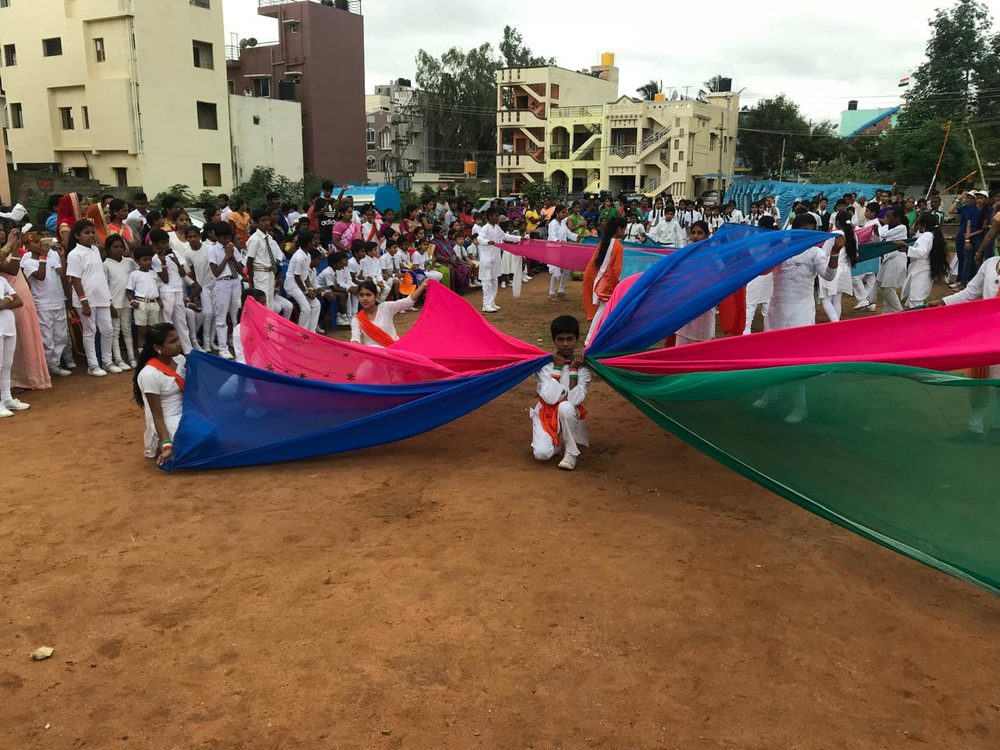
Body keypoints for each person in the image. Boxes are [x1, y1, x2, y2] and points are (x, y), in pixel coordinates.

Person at [756, 213, 840, 423]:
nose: (807, 235)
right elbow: (763, 271)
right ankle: (770, 394)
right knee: (771, 355)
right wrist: (769, 249)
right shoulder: (782, 250)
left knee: (796, 359)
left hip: (801, 311)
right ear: (794, 230)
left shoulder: (815, 253)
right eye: (803, 230)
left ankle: (800, 406)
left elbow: (828, 276)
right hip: (777, 309)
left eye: (811, 231)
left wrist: (836, 253)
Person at [927, 247, 1000, 439]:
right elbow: (971, 293)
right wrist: (943, 301)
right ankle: (974, 427)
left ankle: (997, 428)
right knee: (979, 382)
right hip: (985, 336)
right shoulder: (990, 264)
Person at [530, 314, 591, 471]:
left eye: (569, 339)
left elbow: (575, 400)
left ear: (576, 339)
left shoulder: (583, 367)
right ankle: (556, 442)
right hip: (545, 413)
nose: (565, 344)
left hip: (569, 412)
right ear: (554, 340)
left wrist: (573, 370)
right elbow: (550, 399)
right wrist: (557, 369)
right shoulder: (545, 365)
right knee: (542, 454)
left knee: (566, 406)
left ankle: (571, 453)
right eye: (560, 339)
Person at [66, 219, 120, 376]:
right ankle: (93, 365)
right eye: (86, 233)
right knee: (89, 331)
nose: (91, 235)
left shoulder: (95, 250)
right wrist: (84, 303)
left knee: (108, 329)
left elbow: (100, 277)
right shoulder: (74, 254)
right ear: (77, 235)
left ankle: (107, 361)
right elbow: (75, 280)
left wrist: (109, 301)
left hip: (102, 297)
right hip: (86, 299)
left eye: (92, 232)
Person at [133, 322, 185, 465]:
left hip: (188, 414)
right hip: (167, 421)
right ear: (158, 348)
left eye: (178, 339)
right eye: (173, 341)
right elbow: (157, 416)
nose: (179, 344)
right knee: (200, 439)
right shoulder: (149, 375)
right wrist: (167, 446)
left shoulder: (180, 360)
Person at [20, 236, 71, 377]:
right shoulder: (29, 262)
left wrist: (61, 257)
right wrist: (43, 256)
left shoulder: (52, 257)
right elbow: (40, 276)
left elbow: (62, 274)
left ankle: (54, 364)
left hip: (58, 301)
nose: (41, 245)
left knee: (61, 336)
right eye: (36, 242)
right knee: (47, 337)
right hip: (42, 304)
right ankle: (48, 365)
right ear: (28, 246)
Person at [152, 223, 195, 354]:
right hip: (165, 292)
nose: (165, 245)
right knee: (167, 322)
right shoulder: (155, 259)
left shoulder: (175, 253)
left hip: (177, 290)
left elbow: (183, 274)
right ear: (155, 245)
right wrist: (164, 263)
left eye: (167, 242)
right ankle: (168, 351)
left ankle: (187, 350)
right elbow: (164, 279)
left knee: (181, 321)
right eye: (162, 243)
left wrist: (176, 262)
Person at [350, 278, 428, 347]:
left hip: (395, 352)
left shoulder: (386, 307)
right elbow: (355, 339)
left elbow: (407, 302)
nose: (364, 298)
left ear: (376, 296)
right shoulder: (356, 320)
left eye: (368, 295)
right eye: (361, 295)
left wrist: (422, 286)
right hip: (374, 355)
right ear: (358, 297)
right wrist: (354, 344)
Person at [585, 217, 626, 345]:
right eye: (624, 229)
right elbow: (616, 269)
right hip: (607, 282)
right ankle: (590, 338)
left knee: (604, 309)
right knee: (603, 309)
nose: (624, 232)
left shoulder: (604, 242)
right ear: (619, 229)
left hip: (600, 279)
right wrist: (615, 284)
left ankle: (596, 337)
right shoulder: (618, 245)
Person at [675, 221, 717, 345]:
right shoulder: (686, 252)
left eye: (700, 233)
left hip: (705, 297)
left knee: (703, 333)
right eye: (693, 233)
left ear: (707, 234)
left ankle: (701, 361)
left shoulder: (713, 254)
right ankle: (677, 361)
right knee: (682, 330)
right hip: (686, 296)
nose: (696, 236)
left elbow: (717, 274)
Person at [208, 221, 244, 359]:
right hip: (221, 283)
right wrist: (227, 256)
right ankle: (223, 347)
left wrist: (232, 255)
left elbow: (241, 270)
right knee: (221, 317)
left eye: (229, 237)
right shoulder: (212, 249)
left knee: (235, 315)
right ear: (216, 237)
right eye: (224, 238)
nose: (227, 240)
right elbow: (216, 272)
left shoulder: (232, 248)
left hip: (235, 281)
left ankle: (235, 341)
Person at [103, 234, 138, 369]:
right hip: (114, 303)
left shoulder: (129, 262)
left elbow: (139, 272)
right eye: (115, 247)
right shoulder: (105, 265)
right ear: (108, 249)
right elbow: (104, 286)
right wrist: (109, 304)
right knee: (115, 331)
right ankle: (118, 359)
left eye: (121, 247)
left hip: (127, 302)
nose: (118, 249)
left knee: (127, 329)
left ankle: (131, 357)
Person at [816, 210, 858, 323]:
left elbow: (824, 253)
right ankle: (836, 322)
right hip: (845, 270)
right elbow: (855, 254)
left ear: (837, 222)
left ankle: (835, 323)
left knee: (826, 299)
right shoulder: (853, 235)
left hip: (832, 268)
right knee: (837, 299)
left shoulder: (835, 235)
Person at [476, 210, 521, 313]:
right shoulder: (485, 228)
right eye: (496, 215)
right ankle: (486, 304)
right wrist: (488, 242)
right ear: (489, 217)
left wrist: (518, 238)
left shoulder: (497, 228)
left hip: (496, 258)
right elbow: (479, 239)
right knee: (487, 282)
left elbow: (505, 236)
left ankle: (492, 302)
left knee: (495, 280)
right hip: (487, 258)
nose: (497, 218)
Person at [901, 212, 948, 308]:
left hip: (921, 270)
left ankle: (917, 321)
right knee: (915, 299)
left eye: (919, 224)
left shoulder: (926, 236)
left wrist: (906, 247)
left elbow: (920, 252)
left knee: (916, 300)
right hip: (922, 268)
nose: (917, 226)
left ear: (924, 225)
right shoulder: (930, 235)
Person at [183, 224, 215, 352]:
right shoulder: (188, 253)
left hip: (216, 283)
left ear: (200, 236)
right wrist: (195, 290)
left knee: (217, 314)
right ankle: (206, 342)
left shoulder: (209, 249)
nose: (193, 239)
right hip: (203, 285)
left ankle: (212, 341)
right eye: (189, 237)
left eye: (195, 236)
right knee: (208, 313)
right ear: (186, 238)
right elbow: (192, 271)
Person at [245, 207, 284, 309]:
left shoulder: (269, 238)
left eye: (268, 220)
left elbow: (274, 256)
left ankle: (268, 324)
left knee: (270, 302)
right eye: (263, 220)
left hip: (270, 272)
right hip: (260, 273)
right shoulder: (255, 239)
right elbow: (250, 261)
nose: (266, 223)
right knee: (262, 303)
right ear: (255, 223)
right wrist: (251, 281)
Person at [284, 232, 322, 332]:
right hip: (292, 286)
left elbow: (306, 276)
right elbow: (297, 277)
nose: (315, 242)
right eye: (313, 240)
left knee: (316, 304)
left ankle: (311, 331)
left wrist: (309, 289)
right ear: (308, 243)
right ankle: (301, 333)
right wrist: (306, 292)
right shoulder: (299, 257)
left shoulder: (308, 255)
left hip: (301, 285)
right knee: (306, 308)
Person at [126, 248, 162, 348]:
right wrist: (132, 301)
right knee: (142, 332)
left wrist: (159, 301)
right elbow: (128, 291)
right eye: (145, 260)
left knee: (152, 331)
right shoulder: (134, 274)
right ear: (137, 261)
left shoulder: (154, 274)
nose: (148, 262)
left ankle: (151, 352)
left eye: (150, 259)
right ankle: (142, 354)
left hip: (153, 303)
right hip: (141, 304)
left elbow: (156, 288)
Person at [875, 208, 908, 313]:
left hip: (897, 259)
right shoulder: (887, 227)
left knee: (889, 288)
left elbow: (884, 235)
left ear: (897, 218)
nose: (886, 218)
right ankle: (887, 313)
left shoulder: (902, 227)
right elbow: (880, 238)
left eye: (889, 216)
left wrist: (882, 226)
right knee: (885, 289)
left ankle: (899, 312)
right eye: (886, 216)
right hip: (889, 259)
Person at [545, 204, 578, 301]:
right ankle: (551, 293)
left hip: (564, 249)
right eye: (562, 212)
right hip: (555, 250)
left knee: (566, 270)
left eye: (565, 212)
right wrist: (560, 242)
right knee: (556, 271)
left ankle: (561, 291)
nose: (564, 214)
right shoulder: (553, 223)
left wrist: (578, 236)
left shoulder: (563, 223)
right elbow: (551, 237)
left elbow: (568, 233)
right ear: (557, 213)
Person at [233, 288, 267, 364]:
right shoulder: (239, 330)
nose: (265, 307)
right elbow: (241, 358)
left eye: (265, 303)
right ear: (250, 306)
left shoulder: (270, 325)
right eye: (261, 304)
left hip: (270, 366)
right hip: (250, 369)